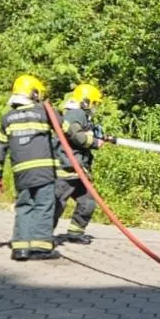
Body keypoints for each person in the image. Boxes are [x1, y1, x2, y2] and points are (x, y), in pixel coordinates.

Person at [0, 74, 89, 261]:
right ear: (33, 93)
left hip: (21, 172)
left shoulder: (7, 118)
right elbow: (67, 129)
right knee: (44, 205)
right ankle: (41, 247)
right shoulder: (44, 112)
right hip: (43, 170)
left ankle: (19, 248)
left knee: (24, 205)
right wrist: (88, 139)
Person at [53, 83, 116, 244]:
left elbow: (85, 133)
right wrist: (95, 142)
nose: (95, 107)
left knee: (87, 201)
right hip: (66, 168)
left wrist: (101, 137)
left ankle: (75, 233)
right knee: (56, 204)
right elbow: (76, 136)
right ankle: (42, 235)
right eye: (94, 103)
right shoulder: (75, 114)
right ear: (85, 101)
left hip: (79, 170)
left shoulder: (82, 116)